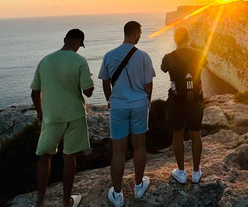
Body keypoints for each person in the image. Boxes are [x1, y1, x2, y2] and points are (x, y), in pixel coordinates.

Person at [31, 28, 95, 207]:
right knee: (69, 157)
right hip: (74, 115)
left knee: (44, 156)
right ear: (79, 43)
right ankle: (66, 201)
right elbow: (88, 92)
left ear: (65, 39)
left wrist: (40, 113)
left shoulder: (45, 61)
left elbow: (35, 92)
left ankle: (40, 202)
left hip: (51, 116)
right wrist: (89, 80)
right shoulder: (80, 61)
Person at [98, 21, 156, 207]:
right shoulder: (144, 57)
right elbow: (148, 85)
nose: (140, 35)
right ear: (136, 34)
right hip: (139, 105)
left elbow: (105, 82)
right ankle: (139, 186)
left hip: (118, 107)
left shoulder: (109, 55)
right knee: (139, 147)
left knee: (118, 152)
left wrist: (110, 100)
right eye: (140, 32)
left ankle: (117, 194)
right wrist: (147, 101)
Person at [160, 26, 208, 185]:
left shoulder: (168, 57)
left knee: (177, 136)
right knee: (196, 135)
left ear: (175, 39)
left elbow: (163, 69)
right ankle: (196, 172)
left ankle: (180, 172)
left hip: (176, 101)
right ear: (188, 38)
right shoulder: (199, 54)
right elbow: (205, 64)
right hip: (195, 101)